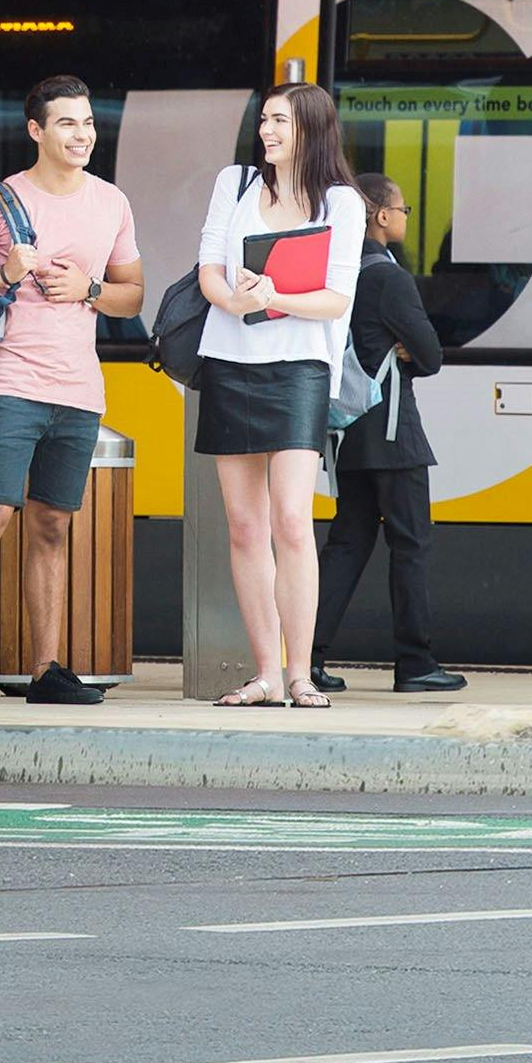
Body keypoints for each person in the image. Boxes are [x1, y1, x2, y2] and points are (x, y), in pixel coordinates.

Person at [0, 74, 144, 707]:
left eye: (88, 123)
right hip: (12, 383)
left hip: (80, 391)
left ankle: (46, 670)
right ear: (37, 130)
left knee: (51, 527)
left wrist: (90, 290)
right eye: (68, 123)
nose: (83, 135)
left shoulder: (111, 203)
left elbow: (132, 295)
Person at [193, 80, 360, 709]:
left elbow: (336, 298)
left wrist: (273, 298)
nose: (267, 131)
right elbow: (209, 267)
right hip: (229, 362)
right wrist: (234, 301)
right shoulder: (234, 183)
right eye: (264, 119)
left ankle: (300, 673)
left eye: (281, 121)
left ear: (312, 129)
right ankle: (265, 673)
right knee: (244, 527)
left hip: (298, 369)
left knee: (291, 520)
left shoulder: (341, 202)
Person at [310, 170, 459, 694]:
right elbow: (431, 354)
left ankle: (306, 657)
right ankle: (415, 663)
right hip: (393, 434)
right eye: (401, 210)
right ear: (380, 215)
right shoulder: (389, 278)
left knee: (347, 543)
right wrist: (405, 351)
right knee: (410, 544)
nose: (404, 217)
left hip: (346, 432)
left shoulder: (336, 271)